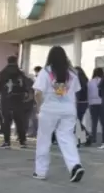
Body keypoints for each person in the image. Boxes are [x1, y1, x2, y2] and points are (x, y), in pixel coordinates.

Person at [32, 46, 85, 182]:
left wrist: (39, 108)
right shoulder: (72, 73)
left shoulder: (46, 72)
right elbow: (75, 93)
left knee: (44, 139)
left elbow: (38, 93)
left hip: (49, 110)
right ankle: (75, 165)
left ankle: (40, 171)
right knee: (67, 138)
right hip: (68, 110)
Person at [0, 56, 33, 148]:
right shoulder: (20, 73)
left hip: (6, 100)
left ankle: (7, 142)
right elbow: (28, 85)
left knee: (6, 122)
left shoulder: (3, 73)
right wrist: (28, 95)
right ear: (16, 61)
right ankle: (22, 141)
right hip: (18, 100)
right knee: (20, 121)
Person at [87, 67, 103, 146]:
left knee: (94, 122)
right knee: (103, 122)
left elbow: (88, 93)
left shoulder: (90, 82)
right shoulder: (102, 81)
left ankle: (93, 139)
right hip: (101, 102)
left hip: (92, 103)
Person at [26, 66, 43, 138]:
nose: (35, 74)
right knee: (35, 118)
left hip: (38, 101)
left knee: (34, 118)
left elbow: (36, 93)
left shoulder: (40, 79)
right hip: (40, 101)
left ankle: (34, 132)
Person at [74, 67, 89, 146]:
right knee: (78, 121)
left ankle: (83, 138)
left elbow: (77, 93)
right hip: (85, 102)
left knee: (76, 121)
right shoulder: (85, 80)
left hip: (78, 102)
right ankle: (83, 139)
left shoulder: (77, 80)